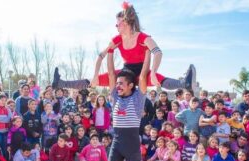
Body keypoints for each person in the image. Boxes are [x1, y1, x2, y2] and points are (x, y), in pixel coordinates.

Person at [52, 3, 196, 93]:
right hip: (126, 71)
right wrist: (96, 73)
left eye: (118, 24)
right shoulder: (117, 39)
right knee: (96, 80)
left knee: (158, 78)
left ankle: (184, 83)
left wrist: (153, 72)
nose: (116, 26)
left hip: (142, 71)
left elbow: (158, 53)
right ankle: (61, 83)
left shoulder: (143, 37)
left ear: (126, 23)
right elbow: (101, 56)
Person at [105, 14, 149, 161]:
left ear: (131, 85)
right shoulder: (114, 96)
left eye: (123, 84)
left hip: (132, 146)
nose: (119, 86)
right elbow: (112, 75)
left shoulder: (137, 98)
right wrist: (110, 51)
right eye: (118, 84)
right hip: (116, 144)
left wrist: (148, 53)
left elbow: (143, 76)